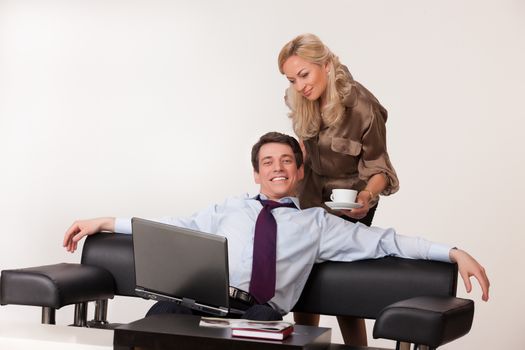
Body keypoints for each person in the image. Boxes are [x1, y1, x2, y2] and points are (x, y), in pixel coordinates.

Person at [63, 132, 490, 323]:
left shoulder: (317, 223)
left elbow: (387, 242)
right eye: (268, 162)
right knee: (155, 321)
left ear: (300, 172)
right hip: (201, 304)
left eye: (286, 160)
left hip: (262, 314)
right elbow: (170, 226)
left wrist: (453, 252)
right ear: (256, 174)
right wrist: (103, 221)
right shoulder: (228, 209)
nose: (277, 167)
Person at [278, 33, 399, 345]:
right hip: (309, 196)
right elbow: (304, 151)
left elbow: (378, 168)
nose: (300, 86)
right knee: (304, 279)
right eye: (292, 79)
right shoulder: (299, 98)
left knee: (344, 286)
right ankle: (305, 344)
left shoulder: (364, 108)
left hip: (352, 200)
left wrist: (367, 197)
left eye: (304, 75)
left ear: (327, 65)